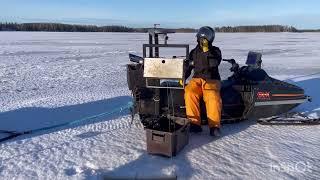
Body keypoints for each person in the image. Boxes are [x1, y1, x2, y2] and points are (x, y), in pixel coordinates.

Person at [184, 26, 222, 137]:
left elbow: (214, 63)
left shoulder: (215, 51)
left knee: (212, 97)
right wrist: (183, 77)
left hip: (211, 79)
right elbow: (188, 67)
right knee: (190, 92)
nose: (202, 41)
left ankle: (214, 126)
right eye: (201, 39)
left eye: (205, 39)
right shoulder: (193, 52)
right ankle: (194, 124)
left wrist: (207, 52)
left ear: (210, 40)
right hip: (197, 79)